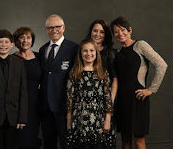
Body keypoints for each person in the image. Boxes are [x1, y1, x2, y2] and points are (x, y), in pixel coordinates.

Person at [110, 16, 168, 149]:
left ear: (130, 30)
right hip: (122, 101)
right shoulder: (117, 52)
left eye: (123, 30)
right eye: (116, 32)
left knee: (139, 141)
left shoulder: (140, 45)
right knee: (125, 141)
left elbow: (161, 65)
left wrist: (151, 89)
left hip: (138, 99)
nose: (120, 34)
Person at [39, 14, 78, 149]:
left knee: (66, 143)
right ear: (46, 30)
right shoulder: (43, 49)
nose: (54, 30)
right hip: (46, 106)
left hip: (64, 105)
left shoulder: (74, 48)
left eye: (57, 27)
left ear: (63, 28)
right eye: (50, 27)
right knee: (48, 143)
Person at [66, 38, 113, 149]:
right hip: (78, 118)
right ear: (80, 53)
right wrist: (69, 120)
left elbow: (108, 98)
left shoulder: (102, 72)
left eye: (91, 51)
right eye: (85, 51)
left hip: (98, 118)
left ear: (96, 53)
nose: (88, 54)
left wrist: (108, 118)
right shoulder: (75, 72)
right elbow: (69, 98)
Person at [87, 19, 117, 148]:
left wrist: (110, 103)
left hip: (104, 104)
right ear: (90, 32)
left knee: (104, 142)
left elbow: (115, 79)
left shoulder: (110, 53)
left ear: (106, 35)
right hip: (86, 104)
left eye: (101, 32)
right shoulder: (83, 51)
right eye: (95, 31)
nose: (97, 34)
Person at [13, 27, 42, 149]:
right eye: (21, 37)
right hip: (18, 105)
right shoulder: (10, 58)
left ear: (32, 40)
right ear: (16, 40)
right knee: (19, 139)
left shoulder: (39, 57)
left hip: (36, 104)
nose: (25, 40)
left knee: (32, 138)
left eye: (28, 37)